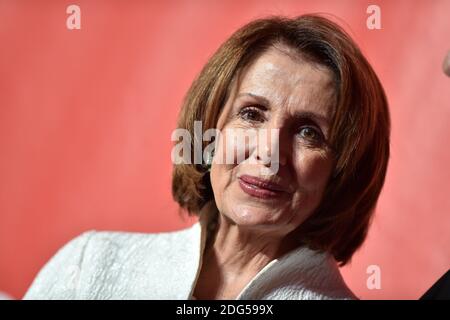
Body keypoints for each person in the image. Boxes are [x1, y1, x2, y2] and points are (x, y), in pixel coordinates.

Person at [23, 14, 390, 300]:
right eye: (251, 114)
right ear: (210, 129)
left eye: (309, 132)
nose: (269, 152)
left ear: (344, 170)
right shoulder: (90, 264)